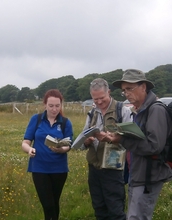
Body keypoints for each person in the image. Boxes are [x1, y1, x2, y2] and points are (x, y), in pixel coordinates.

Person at [96, 69, 172, 220]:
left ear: (143, 87)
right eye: (124, 90)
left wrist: (122, 140)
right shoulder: (140, 110)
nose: (126, 93)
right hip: (138, 173)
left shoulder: (155, 110)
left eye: (129, 88)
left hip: (148, 176)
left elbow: (154, 146)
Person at [80, 78, 132, 220]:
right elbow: (83, 137)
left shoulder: (123, 110)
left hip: (113, 169)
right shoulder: (92, 113)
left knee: (115, 210)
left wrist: (112, 138)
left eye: (102, 98)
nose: (99, 102)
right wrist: (87, 141)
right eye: (95, 99)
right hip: (94, 168)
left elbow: (132, 139)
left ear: (109, 92)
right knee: (99, 209)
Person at [21, 89, 73, 220]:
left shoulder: (66, 122)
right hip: (39, 168)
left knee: (54, 203)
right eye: (51, 106)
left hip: (59, 169)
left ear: (61, 105)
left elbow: (69, 144)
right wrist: (29, 150)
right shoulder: (36, 119)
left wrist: (62, 149)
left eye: (57, 106)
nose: (54, 109)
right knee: (48, 204)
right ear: (45, 104)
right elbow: (25, 142)